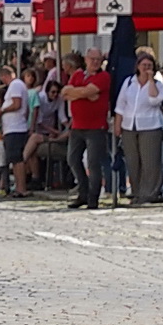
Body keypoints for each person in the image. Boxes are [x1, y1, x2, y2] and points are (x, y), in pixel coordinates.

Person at [115, 47, 163, 206]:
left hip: (150, 125)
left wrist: (151, 80)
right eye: (143, 65)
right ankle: (137, 192)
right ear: (137, 66)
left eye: (149, 65)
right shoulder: (129, 82)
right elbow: (120, 105)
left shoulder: (158, 84)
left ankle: (149, 193)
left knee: (150, 162)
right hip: (130, 125)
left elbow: (154, 101)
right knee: (133, 161)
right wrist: (118, 125)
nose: (146, 68)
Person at [62, 46, 110, 210]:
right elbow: (65, 93)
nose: (95, 62)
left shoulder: (104, 76)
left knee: (93, 163)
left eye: (98, 59)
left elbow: (90, 91)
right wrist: (83, 93)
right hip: (77, 126)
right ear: (86, 59)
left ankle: (92, 198)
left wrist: (77, 92)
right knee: (73, 159)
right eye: (92, 59)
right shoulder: (77, 74)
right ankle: (83, 191)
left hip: (96, 127)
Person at [24, 79, 69, 190]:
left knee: (33, 143)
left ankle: (23, 163)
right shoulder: (41, 98)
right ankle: (31, 174)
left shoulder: (59, 100)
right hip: (41, 128)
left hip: (51, 130)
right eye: (53, 92)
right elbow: (39, 121)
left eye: (57, 92)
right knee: (33, 148)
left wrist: (67, 126)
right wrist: (55, 131)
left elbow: (62, 116)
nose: (55, 95)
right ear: (47, 92)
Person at [0, 64, 31, 198]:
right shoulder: (17, 85)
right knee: (14, 159)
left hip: (15, 128)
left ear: (5, 76)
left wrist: (2, 110)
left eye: (2, 78)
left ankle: (21, 188)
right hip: (14, 127)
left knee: (17, 159)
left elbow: (17, 104)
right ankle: (18, 187)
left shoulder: (15, 85)